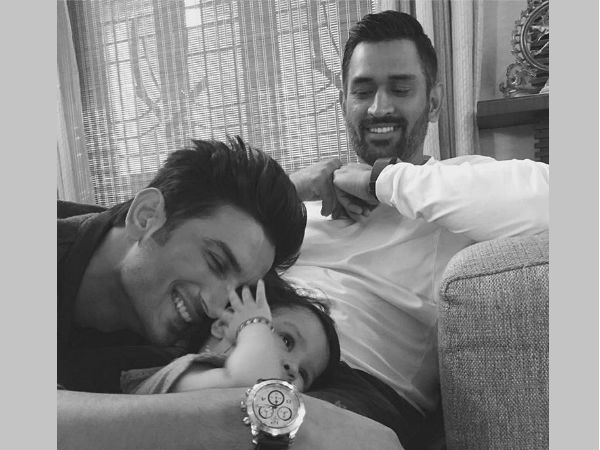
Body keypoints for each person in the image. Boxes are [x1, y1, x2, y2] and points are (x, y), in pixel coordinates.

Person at [286, 7, 549, 432]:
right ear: (344, 103)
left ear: (434, 102)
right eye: (363, 91)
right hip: (246, 348)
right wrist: (288, 189)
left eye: (400, 88)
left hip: (355, 389)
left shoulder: (456, 186)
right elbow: (177, 222)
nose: (379, 107)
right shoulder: (305, 199)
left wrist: (382, 180)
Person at [58, 136, 403, 450]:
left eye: (237, 288)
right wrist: (261, 417)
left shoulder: (210, 313)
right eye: (216, 261)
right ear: (146, 217)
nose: (214, 306)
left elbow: (359, 396)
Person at [119, 275, 340, 395]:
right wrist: (255, 326)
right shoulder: (182, 373)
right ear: (224, 325)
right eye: (287, 340)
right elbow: (248, 386)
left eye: (304, 374)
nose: (293, 368)